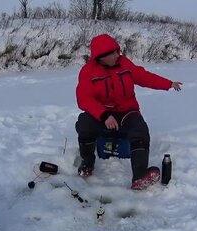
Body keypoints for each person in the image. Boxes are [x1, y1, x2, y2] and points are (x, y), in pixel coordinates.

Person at [75, 33, 182, 190]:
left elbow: (144, 77)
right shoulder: (88, 71)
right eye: (112, 53)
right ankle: (87, 164)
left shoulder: (124, 63)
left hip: (127, 111)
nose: (117, 55)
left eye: (116, 51)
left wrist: (168, 83)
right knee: (84, 123)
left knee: (140, 129)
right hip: (102, 114)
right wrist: (104, 115)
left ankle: (139, 176)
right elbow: (84, 99)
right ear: (101, 57)